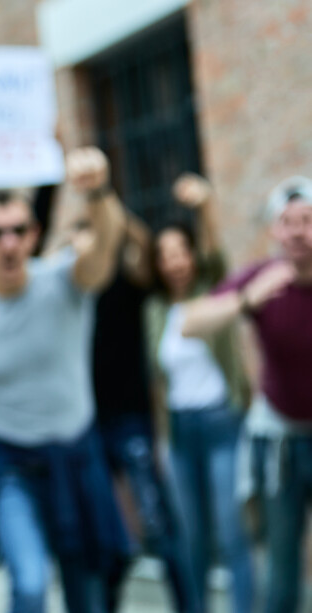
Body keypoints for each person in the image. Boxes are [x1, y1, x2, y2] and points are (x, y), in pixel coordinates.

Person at [0, 147, 131, 613]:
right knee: (30, 584)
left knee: (90, 594)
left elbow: (105, 248)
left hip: (76, 453)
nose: (8, 243)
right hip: (10, 462)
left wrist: (97, 192)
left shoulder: (65, 281)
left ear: (35, 234)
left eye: (19, 231)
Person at [183, 175, 312, 613]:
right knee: (281, 569)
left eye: (308, 221)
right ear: (274, 230)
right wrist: (245, 301)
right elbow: (190, 323)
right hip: (282, 443)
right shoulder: (262, 278)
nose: (298, 232)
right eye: (287, 222)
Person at [78, 190, 200, 611]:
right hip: (86, 427)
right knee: (107, 534)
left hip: (131, 421)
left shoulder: (129, 280)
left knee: (158, 526)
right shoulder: (69, 292)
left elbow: (146, 248)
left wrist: (103, 197)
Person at [145, 173, 254, 612]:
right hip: (178, 430)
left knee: (232, 534)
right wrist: (159, 439)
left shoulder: (215, 290)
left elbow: (214, 246)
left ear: (192, 254)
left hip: (221, 422)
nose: (174, 262)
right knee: (192, 539)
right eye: (164, 255)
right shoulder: (154, 309)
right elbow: (157, 380)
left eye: (181, 251)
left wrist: (204, 202)